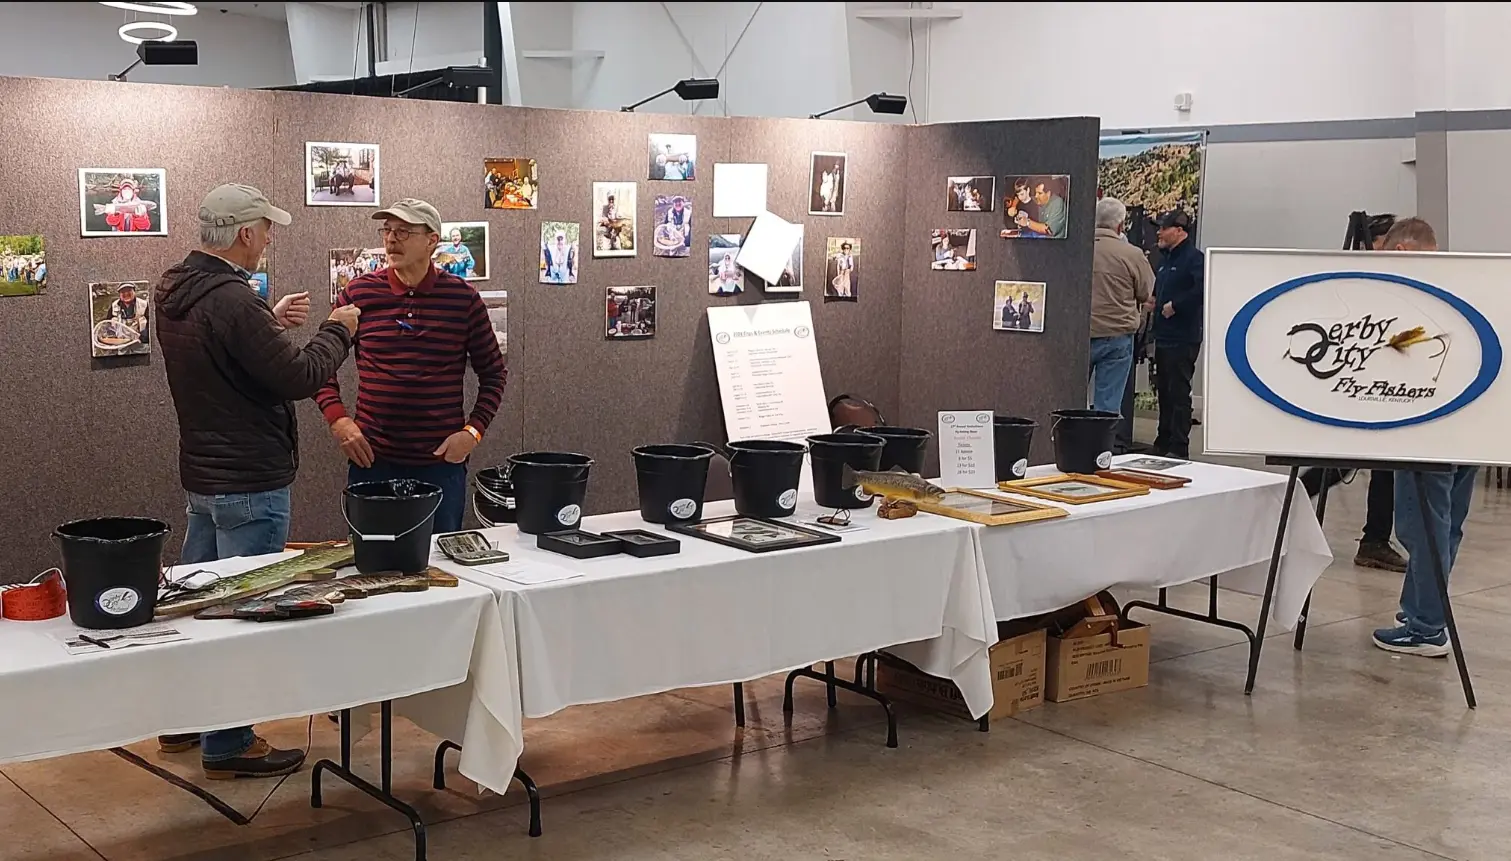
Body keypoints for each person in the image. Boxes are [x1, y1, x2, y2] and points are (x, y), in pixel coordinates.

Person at [153, 183, 359, 778]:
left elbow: (224, 357)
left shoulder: (177, 288)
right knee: (245, 612)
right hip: (250, 482)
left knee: (196, 607)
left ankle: (183, 719)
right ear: (245, 232)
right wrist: (338, 329)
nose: (269, 239)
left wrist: (266, 321)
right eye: (266, 228)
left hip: (205, 478)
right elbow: (299, 376)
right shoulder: (234, 302)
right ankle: (229, 742)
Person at [316, 198, 507, 533]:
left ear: (432, 240)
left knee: (437, 560)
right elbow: (321, 365)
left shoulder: (463, 299)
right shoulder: (359, 294)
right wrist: (339, 421)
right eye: (387, 230)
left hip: (441, 463)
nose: (391, 239)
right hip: (372, 461)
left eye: (403, 232)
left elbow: (493, 374)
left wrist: (472, 433)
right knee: (370, 558)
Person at [1369, 218, 1475, 657]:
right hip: (1471, 428)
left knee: (1423, 529)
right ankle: (1420, 611)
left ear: (1399, 250)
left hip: (1426, 430)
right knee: (1445, 528)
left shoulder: (1413, 300)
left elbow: (1396, 358)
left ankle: (1426, 627)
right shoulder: (1466, 287)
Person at [1300, 212, 1407, 573]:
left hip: (1379, 386)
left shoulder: (1382, 281)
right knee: (1350, 461)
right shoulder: (1360, 281)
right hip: (1360, 386)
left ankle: (1373, 539)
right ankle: (1372, 539)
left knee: (1369, 464)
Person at [1089, 197, 1155, 414]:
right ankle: (1102, 437)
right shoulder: (1132, 255)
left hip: (1079, 336)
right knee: (1108, 405)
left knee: (1068, 400)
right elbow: (1145, 293)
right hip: (1117, 336)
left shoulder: (1078, 250)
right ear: (1120, 225)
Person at [1151, 209, 1202, 459]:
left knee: (1178, 391)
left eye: (1164, 228)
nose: (1159, 233)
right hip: (1163, 335)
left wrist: (1176, 305)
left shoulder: (1194, 259)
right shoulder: (1165, 260)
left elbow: (1201, 290)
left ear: (1179, 231)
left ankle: (1179, 446)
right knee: (1164, 390)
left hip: (1183, 337)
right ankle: (1163, 440)